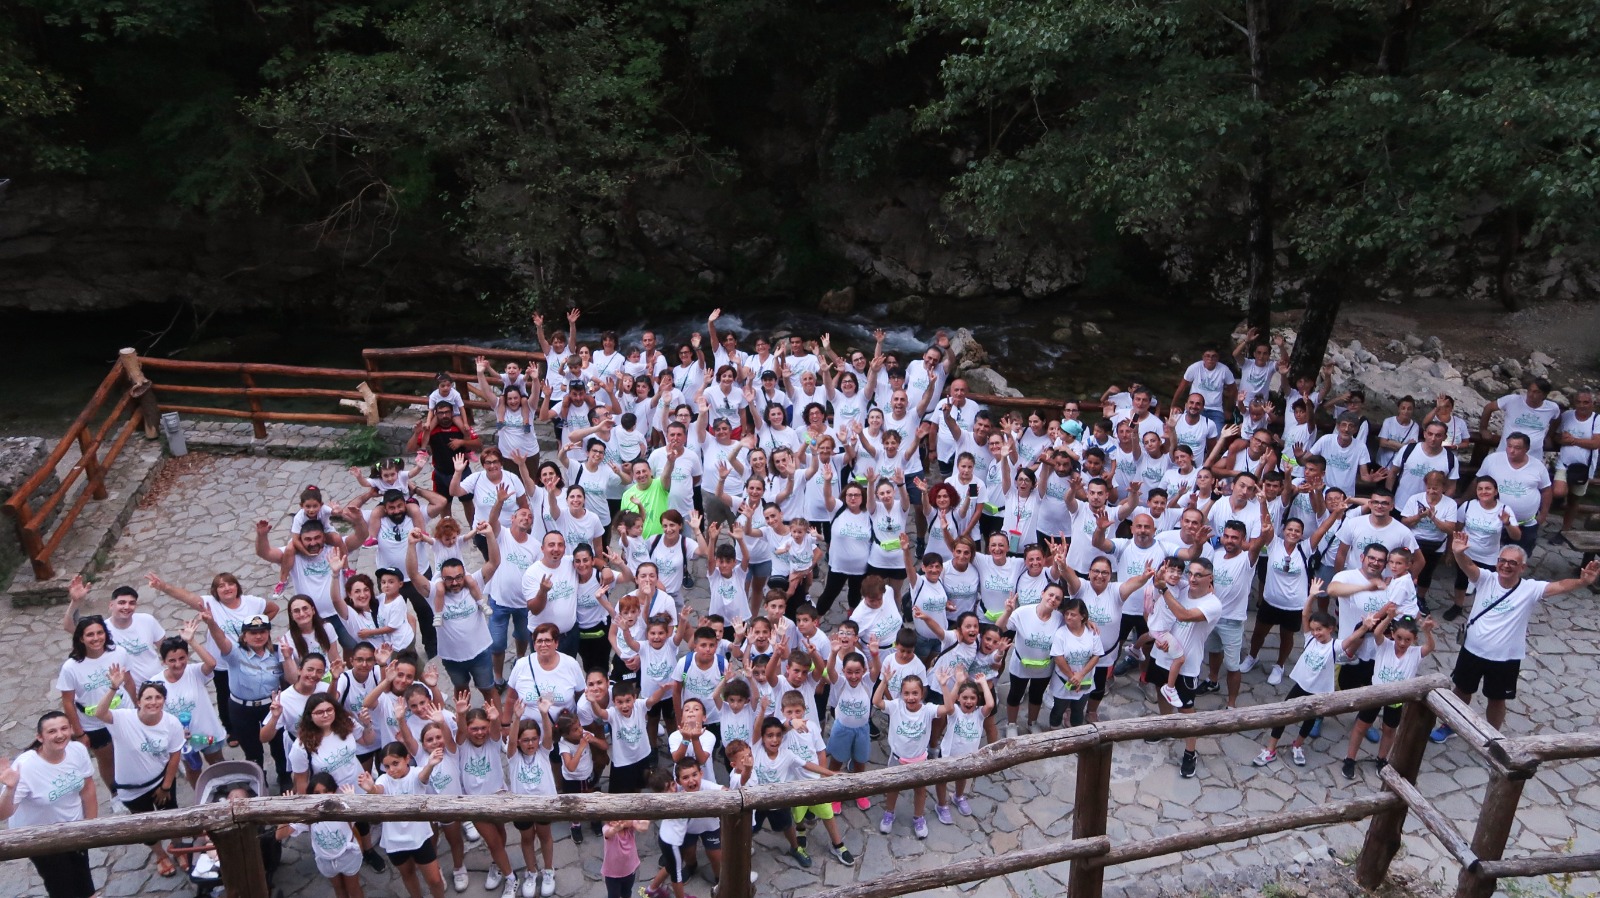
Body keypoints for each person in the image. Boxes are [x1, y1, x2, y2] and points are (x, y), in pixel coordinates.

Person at [1431, 534, 1599, 742]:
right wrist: (1457, 552)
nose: (1506, 566)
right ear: (1497, 562)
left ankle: (1492, 737)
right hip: (1472, 650)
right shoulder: (1485, 578)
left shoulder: (1530, 589)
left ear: (1522, 568)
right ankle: (1450, 725)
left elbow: (1560, 585)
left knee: (1497, 699)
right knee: (1461, 691)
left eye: (1513, 562)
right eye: (1503, 561)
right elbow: (1468, 566)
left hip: (1505, 658)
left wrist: (1582, 582)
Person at [144, 571, 279, 747]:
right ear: (215, 591)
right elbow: (186, 596)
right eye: (221, 586)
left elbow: (273, 608)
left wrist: (256, 630)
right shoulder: (210, 603)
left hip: (247, 657)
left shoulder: (251, 602)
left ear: (237, 586)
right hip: (222, 662)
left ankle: (266, 723)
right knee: (225, 697)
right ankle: (232, 730)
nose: (227, 588)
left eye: (230, 584)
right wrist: (163, 586)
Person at [92, 668, 185, 878]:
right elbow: (99, 713)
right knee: (146, 825)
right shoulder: (123, 719)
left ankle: (179, 849)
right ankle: (160, 855)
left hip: (161, 780)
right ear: (139, 700)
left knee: (173, 817)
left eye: (158, 697)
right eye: (148, 697)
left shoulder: (171, 723)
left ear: (164, 700)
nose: (153, 702)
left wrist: (166, 786)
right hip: (131, 788)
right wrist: (114, 687)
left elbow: (174, 755)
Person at [0, 713, 99, 898]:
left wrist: (89, 827)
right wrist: (9, 788)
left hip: (75, 830)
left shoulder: (77, 750)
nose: (60, 735)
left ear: (71, 729)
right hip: (40, 838)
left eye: (64, 728)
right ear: (40, 737)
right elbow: (3, 813)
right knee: (62, 887)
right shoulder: (27, 766)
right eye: (52, 731)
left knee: (84, 880)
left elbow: (88, 787)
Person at [1145, 558, 1224, 779]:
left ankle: (1190, 752)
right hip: (1162, 655)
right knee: (1161, 691)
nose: (1192, 578)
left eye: (1199, 575)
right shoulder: (1179, 589)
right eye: (1190, 573)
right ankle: (1165, 728)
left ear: (1210, 578)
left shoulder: (1213, 604)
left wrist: (1163, 589)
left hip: (1187, 665)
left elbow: (1184, 616)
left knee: (1187, 710)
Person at [407, 522, 502, 703]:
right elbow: (413, 575)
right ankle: (463, 726)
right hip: (452, 658)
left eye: (459, 577)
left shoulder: (474, 582)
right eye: (449, 579)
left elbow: (495, 562)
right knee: (461, 691)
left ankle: (500, 728)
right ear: (442, 579)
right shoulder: (435, 592)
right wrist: (411, 545)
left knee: (489, 690)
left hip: (480, 652)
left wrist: (489, 535)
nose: (455, 582)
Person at [1252, 585, 1342, 768]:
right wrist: (1311, 596)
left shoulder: (1335, 646)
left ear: (1330, 629)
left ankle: (1298, 745)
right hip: (1301, 685)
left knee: (1310, 719)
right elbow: (1304, 615)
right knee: (1285, 714)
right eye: (1314, 629)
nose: (1316, 633)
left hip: (1319, 691)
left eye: (1320, 630)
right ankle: (1271, 749)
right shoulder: (1310, 638)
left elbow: (1351, 640)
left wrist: (1365, 627)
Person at [1341, 611, 1436, 778]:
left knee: (1389, 730)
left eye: (1407, 639)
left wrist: (1427, 632)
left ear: (1414, 639)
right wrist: (1389, 617)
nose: (1402, 642)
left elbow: (1430, 647)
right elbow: (1377, 632)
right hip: (1376, 693)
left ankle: (1382, 759)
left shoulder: (1415, 653)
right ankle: (1350, 759)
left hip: (1398, 699)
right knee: (1361, 726)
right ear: (1392, 634)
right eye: (1399, 637)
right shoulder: (1384, 644)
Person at [362, 744, 447, 898]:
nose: (391, 770)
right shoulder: (384, 779)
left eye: (395, 763)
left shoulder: (416, 774)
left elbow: (423, 777)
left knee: (435, 880)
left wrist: (430, 764)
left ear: (407, 758)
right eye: (387, 766)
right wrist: (371, 789)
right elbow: (378, 790)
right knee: (407, 874)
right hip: (395, 840)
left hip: (419, 837)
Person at [55, 615, 127, 789]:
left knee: (129, 754)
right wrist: (79, 733)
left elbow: (129, 681)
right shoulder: (71, 667)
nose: (96, 638)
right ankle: (115, 794)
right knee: (107, 760)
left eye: (99, 633)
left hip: (123, 715)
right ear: (81, 638)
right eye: (90, 635)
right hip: (94, 724)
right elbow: (68, 703)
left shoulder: (119, 653)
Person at [872, 673, 947, 839]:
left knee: (920, 790)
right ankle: (889, 813)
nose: (911, 697)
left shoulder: (928, 710)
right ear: (901, 694)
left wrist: (944, 686)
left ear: (922, 694)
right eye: (906, 693)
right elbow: (876, 702)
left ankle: (918, 817)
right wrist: (884, 680)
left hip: (919, 760)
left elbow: (948, 708)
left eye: (915, 693)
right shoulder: (896, 706)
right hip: (897, 758)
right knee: (892, 788)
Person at [60, 578, 165, 685]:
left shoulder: (147, 620)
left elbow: (164, 647)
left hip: (158, 684)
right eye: (122, 603)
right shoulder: (101, 630)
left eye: (132, 603)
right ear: (111, 605)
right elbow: (69, 627)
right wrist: (75, 602)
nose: (127, 607)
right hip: (128, 689)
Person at [505, 697, 558, 898]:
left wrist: (544, 714)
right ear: (519, 741)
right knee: (526, 838)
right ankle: (531, 872)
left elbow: (548, 735)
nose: (530, 743)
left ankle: (548, 870)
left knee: (545, 835)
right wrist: (516, 719)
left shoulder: (543, 752)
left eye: (533, 739)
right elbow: (510, 742)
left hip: (544, 804)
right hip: (521, 806)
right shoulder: (513, 757)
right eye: (525, 740)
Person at [281, 774, 366, 898]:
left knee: (353, 889)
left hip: (348, 856)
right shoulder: (309, 815)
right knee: (339, 889)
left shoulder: (344, 807)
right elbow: (280, 834)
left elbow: (364, 814)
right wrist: (284, 813)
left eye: (326, 791)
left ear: (334, 790)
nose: (322, 796)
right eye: (317, 793)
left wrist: (352, 800)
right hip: (325, 861)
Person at [1473, 433, 1552, 555]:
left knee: (1520, 556)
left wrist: (1543, 515)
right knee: (1489, 554)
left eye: (1517, 448)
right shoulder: (1492, 460)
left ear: (1526, 449)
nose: (1512, 451)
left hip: (1525, 523)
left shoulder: (1538, 466)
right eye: (1509, 446)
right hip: (1494, 521)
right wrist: (1464, 500)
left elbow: (1546, 490)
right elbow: (1478, 481)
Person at [1555, 389, 1599, 534]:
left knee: (1574, 500)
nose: (1582, 405)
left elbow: (1595, 443)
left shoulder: (1597, 419)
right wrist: (1562, 440)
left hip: (1583, 468)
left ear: (1592, 403)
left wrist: (1573, 440)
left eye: (1586, 402)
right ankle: (1556, 503)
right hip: (1564, 463)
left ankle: (1564, 531)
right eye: (1579, 402)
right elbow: (1556, 437)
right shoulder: (1567, 416)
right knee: (1559, 491)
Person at [1481, 377, 1562, 456]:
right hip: (1506, 454)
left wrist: (1549, 436)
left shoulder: (1552, 408)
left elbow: (1557, 418)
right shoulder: (1512, 400)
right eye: (1529, 390)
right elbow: (1489, 407)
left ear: (1544, 395)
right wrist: (1483, 429)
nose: (1530, 394)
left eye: (1536, 392)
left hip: (1533, 457)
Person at [602, 816, 650, 898]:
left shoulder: (630, 828)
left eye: (622, 818)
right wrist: (615, 829)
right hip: (612, 874)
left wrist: (644, 824)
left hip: (629, 871)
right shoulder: (607, 828)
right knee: (613, 895)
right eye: (616, 819)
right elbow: (608, 833)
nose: (620, 822)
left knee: (627, 893)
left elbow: (641, 827)